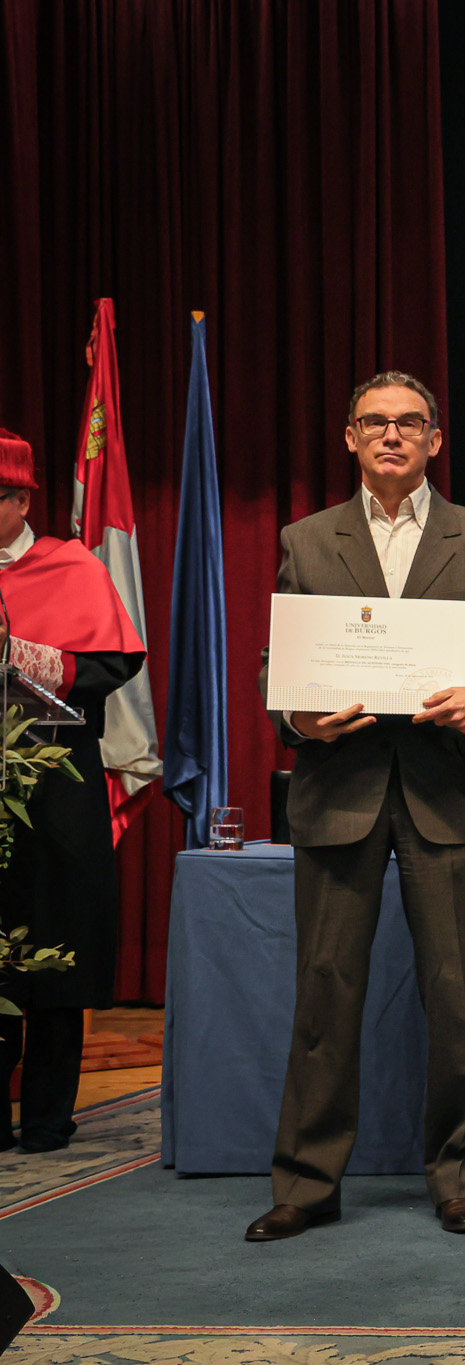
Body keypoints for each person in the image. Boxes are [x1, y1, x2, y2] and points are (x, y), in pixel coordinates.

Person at [246, 373, 465, 1241]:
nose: (392, 436)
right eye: (375, 422)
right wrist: (298, 713)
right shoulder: (307, 538)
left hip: (441, 789)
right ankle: (306, 1181)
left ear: (436, 440)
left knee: (457, 997)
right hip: (337, 791)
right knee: (325, 994)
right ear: (348, 437)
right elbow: (280, 664)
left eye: (410, 423)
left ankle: (459, 1176)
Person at [0, 429, 146, 1154]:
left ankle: (49, 1115)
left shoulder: (71, 563)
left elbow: (110, 666)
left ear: (21, 497)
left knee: (57, 938)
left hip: (57, 776)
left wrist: (18, 654)